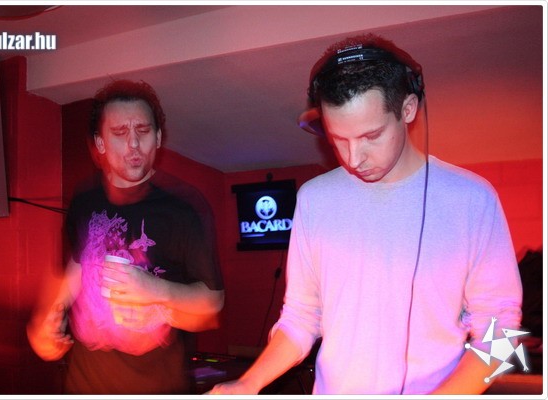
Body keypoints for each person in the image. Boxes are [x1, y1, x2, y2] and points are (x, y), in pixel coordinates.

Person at [208, 33, 522, 395]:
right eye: (338, 140)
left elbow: (504, 334)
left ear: (408, 109)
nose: (353, 159)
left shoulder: (471, 199)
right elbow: (300, 318)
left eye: (371, 136)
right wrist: (247, 383)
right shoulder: (314, 200)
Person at [27, 79, 224, 394]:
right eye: (120, 133)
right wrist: (46, 320)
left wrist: (154, 290)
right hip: (83, 385)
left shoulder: (184, 209)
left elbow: (212, 304)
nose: (133, 143)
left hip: (157, 387)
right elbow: (76, 266)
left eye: (143, 131)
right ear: (101, 143)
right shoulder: (84, 199)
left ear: (157, 138)